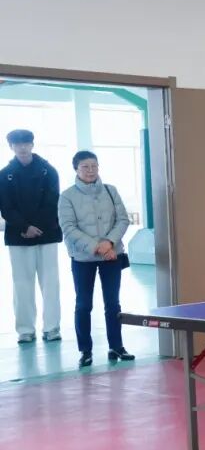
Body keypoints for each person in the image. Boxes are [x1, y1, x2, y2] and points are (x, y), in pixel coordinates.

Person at [58, 151, 134, 368]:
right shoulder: (67, 196)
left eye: (94, 166)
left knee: (113, 303)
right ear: (76, 169)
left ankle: (116, 346)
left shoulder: (111, 190)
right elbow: (68, 228)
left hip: (112, 255)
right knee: (83, 304)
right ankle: (85, 350)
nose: (90, 170)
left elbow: (122, 219)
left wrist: (109, 242)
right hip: (83, 258)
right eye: (85, 167)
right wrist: (97, 247)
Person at [0, 129, 62, 344]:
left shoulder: (48, 170)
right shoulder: (4, 174)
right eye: (17, 144)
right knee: (22, 284)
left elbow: (53, 202)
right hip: (18, 235)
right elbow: (5, 207)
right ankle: (25, 330)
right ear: (11, 147)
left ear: (32, 145)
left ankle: (52, 328)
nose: (22, 147)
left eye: (26, 143)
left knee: (50, 283)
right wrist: (25, 227)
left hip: (47, 233)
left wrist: (36, 227)